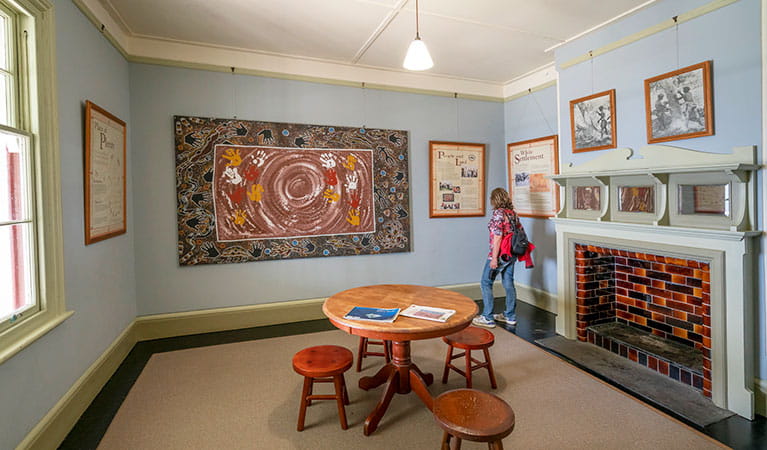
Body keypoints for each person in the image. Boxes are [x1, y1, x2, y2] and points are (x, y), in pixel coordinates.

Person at [473, 187, 521, 328]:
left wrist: (494, 258)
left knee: (486, 282)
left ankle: (487, 317)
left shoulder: (498, 214)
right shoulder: (513, 214)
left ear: (494, 200)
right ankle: (510, 316)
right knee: (508, 282)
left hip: (499, 254)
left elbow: (498, 237)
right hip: (511, 254)